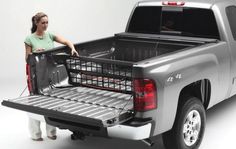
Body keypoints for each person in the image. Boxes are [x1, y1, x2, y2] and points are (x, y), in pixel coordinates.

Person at [24, 12, 79, 141]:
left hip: (50, 73)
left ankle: (51, 132)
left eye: (47, 22)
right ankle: (35, 134)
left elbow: (65, 41)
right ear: (36, 23)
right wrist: (33, 53)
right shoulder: (29, 39)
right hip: (37, 74)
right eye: (43, 23)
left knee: (51, 102)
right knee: (35, 102)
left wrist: (72, 48)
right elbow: (27, 59)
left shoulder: (49, 35)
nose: (45, 25)